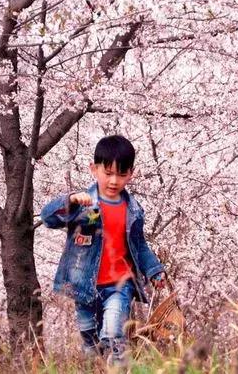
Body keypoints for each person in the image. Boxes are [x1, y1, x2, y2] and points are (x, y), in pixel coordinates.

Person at [41, 135, 166, 364]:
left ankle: (120, 368)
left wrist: (154, 270)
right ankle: (97, 368)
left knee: (113, 332)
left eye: (121, 174)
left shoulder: (134, 210)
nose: (113, 181)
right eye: (108, 173)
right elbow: (48, 219)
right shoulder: (84, 204)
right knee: (91, 343)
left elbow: (139, 246)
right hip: (84, 285)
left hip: (120, 284)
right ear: (94, 169)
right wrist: (69, 200)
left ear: (131, 173)